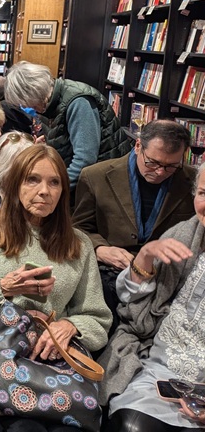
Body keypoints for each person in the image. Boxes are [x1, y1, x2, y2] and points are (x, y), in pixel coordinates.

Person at [0, 144, 112, 432]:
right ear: (15, 184)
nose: (44, 190)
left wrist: (70, 326)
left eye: (54, 182)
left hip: (56, 362)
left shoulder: (78, 243)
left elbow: (98, 318)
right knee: (23, 429)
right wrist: (5, 287)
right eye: (33, 179)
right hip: (0, 358)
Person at [98, 162, 205, 431]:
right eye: (203, 193)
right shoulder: (184, 235)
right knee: (131, 423)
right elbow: (131, 300)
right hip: (162, 366)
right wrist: (145, 255)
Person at [73, 119, 195, 334]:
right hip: (111, 271)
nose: (160, 172)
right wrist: (99, 249)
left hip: (164, 274)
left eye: (171, 166)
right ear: (138, 146)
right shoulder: (95, 176)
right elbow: (78, 227)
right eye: (153, 163)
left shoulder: (193, 180)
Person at [5, 60, 131, 189]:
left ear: (35, 92)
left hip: (104, 182)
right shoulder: (48, 102)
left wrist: (57, 188)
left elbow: (85, 159)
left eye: (28, 103)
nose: (29, 107)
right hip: (86, 179)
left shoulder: (78, 103)